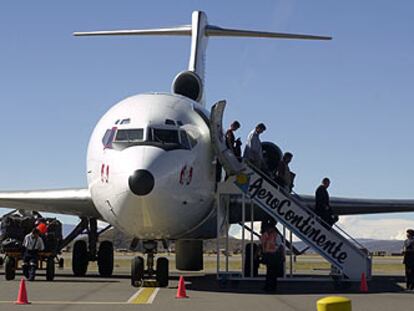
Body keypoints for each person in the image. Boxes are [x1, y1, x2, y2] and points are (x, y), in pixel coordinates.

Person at [260, 220, 282, 292]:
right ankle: (269, 286)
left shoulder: (273, 235)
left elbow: (278, 245)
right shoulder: (268, 235)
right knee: (270, 272)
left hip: (272, 255)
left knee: (271, 272)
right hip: (269, 255)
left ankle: (271, 286)